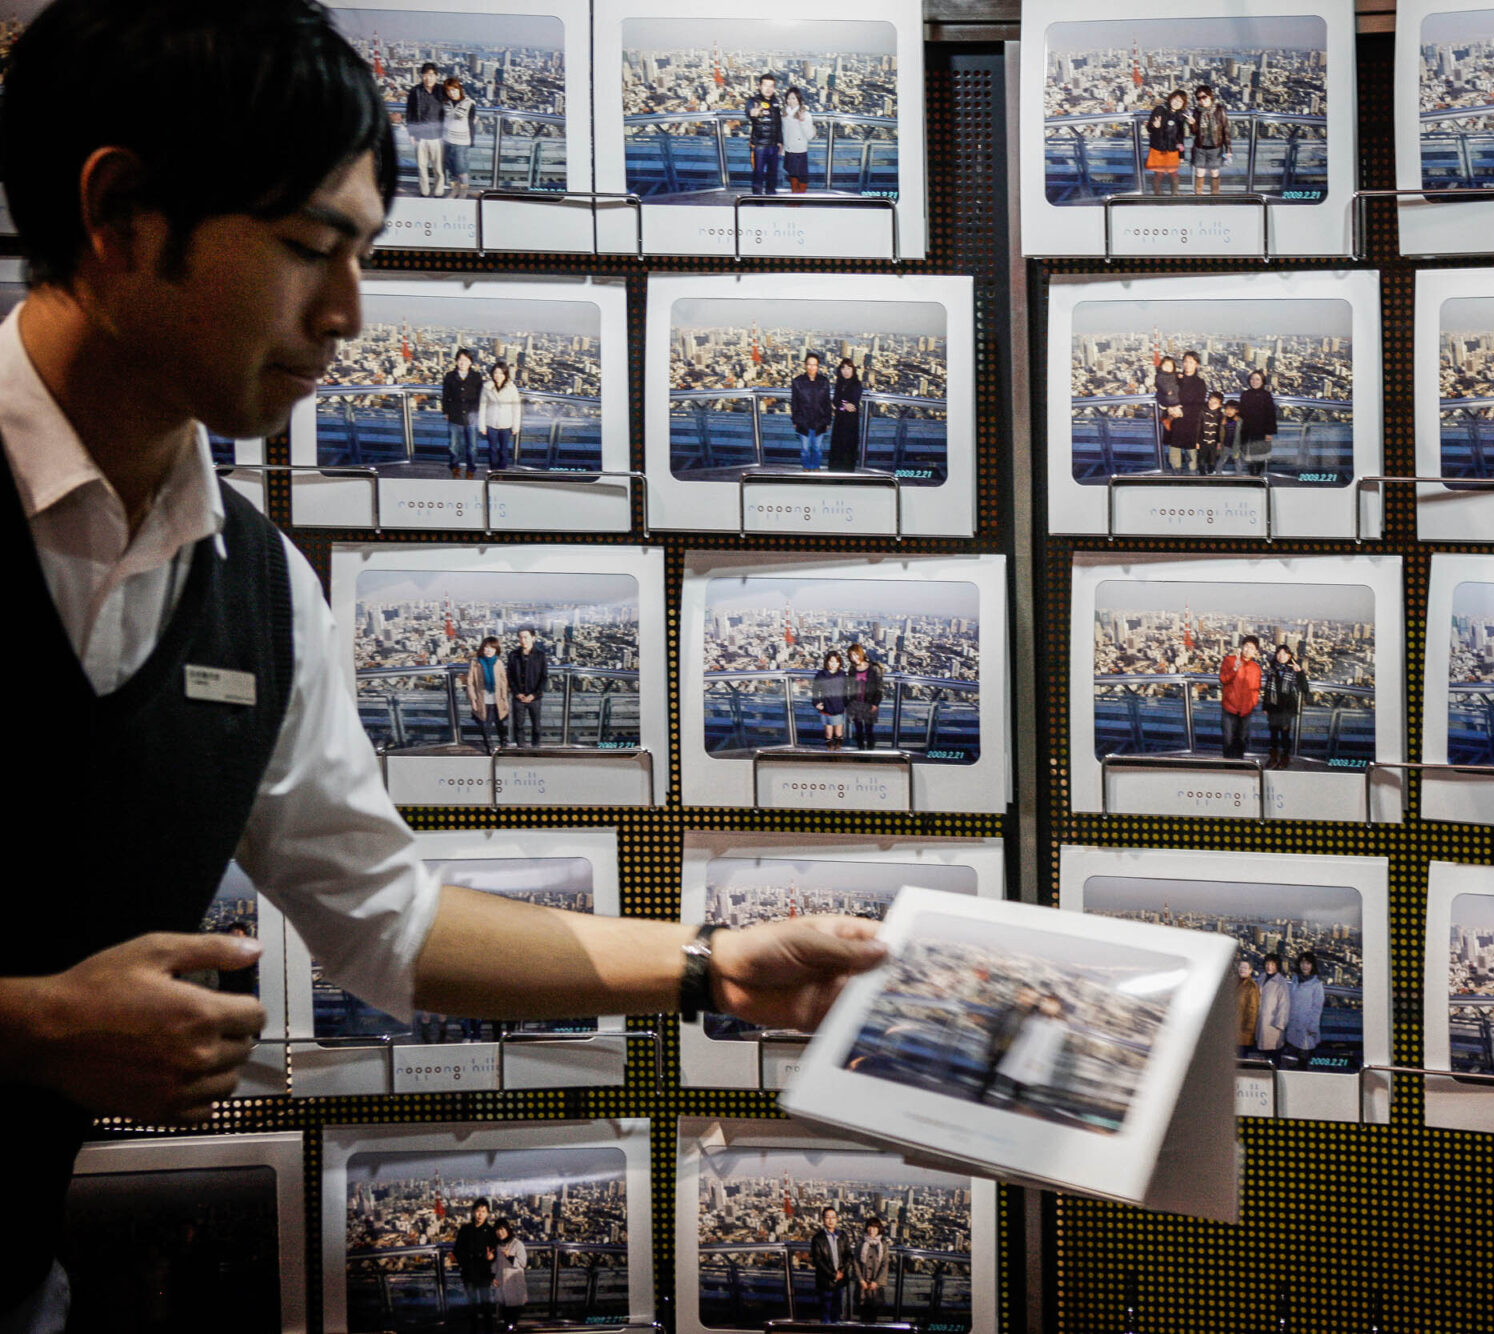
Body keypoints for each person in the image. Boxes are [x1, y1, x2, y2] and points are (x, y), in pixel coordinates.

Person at [0, 5, 885, 1323]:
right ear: (121, 213)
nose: (347, 312)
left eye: (362, 253)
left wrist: (714, 966)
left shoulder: (254, 582)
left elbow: (386, 917)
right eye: (310, 247)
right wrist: (28, 1025)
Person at [994, 993, 1071, 1111]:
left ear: (1057, 1007)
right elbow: (1023, 1033)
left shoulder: (1059, 1025)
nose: (1045, 1005)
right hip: (1023, 1053)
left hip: (1038, 1057)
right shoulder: (1034, 1017)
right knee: (1016, 1081)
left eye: (1049, 1004)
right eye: (1044, 1002)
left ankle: (1017, 1105)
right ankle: (1013, 1104)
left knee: (1027, 1083)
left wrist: (1040, 1061)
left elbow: (1052, 1046)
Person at [452, 1199, 501, 1334]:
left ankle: (489, 1330)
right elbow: (457, 1250)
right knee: (472, 1306)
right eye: (478, 1211)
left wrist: (492, 1257)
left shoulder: (491, 1231)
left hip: (484, 1273)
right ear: (473, 1212)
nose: (480, 1214)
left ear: (487, 1214)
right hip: (469, 1272)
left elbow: (496, 1252)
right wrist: (464, 1264)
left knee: (486, 1305)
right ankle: (474, 1330)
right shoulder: (465, 1230)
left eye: (483, 1211)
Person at [1218, 633, 1263, 761]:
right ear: (1242, 647)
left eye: (1252, 648)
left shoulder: (1256, 668)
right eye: (1246, 646)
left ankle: (1238, 764)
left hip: (1246, 710)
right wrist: (1235, 669)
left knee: (1241, 740)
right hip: (1229, 708)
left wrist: (1252, 703)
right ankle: (1228, 765)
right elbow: (1223, 679)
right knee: (1228, 739)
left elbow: (1256, 689)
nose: (1248, 650)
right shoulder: (1230, 660)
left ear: (1255, 652)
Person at [406, 62, 446, 199]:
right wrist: (411, 134)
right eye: (425, 75)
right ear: (421, 76)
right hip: (420, 136)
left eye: (431, 75)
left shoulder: (442, 90)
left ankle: (439, 192)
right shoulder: (415, 91)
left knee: (438, 168)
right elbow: (410, 112)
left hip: (438, 136)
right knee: (422, 167)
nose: (428, 78)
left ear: (437, 76)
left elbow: (457, 98)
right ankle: (424, 191)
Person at [1261, 642, 1304, 771]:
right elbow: (1268, 690)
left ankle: (1285, 757)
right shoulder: (1272, 669)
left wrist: (1300, 672)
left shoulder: (1294, 670)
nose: (1281, 656)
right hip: (1273, 707)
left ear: (1289, 656)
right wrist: (1265, 706)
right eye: (1279, 653)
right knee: (1273, 734)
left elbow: (1304, 687)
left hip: (1287, 709)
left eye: (1284, 654)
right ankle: (1273, 757)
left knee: (1285, 735)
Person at [465, 636, 511, 756]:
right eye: (486, 647)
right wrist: (473, 700)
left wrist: (505, 699)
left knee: (500, 722)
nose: (489, 650)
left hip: (498, 699)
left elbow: (504, 681)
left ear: (496, 650)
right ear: (482, 648)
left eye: (492, 648)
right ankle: (489, 746)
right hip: (482, 699)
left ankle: (504, 743)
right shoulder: (476, 663)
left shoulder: (498, 663)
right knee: (485, 724)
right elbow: (470, 682)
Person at [442, 348, 480, 479]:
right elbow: (445, 396)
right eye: (460, 360)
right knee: (453, 445)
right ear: (456, 361)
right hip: (454, 415)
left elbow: (480, 397)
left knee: (472, 446)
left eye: (465, 360)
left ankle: (471, 469)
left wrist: (476, 412)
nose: (462, 362)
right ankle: (455, 468)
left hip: (471, 417)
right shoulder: (450, 376)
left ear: (470, 362)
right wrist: (446, 411)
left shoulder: (476, 377)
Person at [506, 627, 547, 749]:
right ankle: (521, 748)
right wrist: (517, 693)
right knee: (518, 725)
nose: (523, 640)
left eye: (526, 637)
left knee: (536, 726)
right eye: (521, 637)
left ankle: (536, 748)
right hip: (519, 697)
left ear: (533, 638)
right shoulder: (513, 655)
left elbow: (544, 677)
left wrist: (534, 694)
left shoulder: (540, 655)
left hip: (535, 697)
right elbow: (509, 676)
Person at [791, 352, 833, 470]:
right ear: (805, 365)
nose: (811, 367)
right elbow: (794, 402)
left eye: (814, 365)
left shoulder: (824, 381)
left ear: (818, 366)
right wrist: (795, 420)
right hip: (803, 421)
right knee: (805, 448)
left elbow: (827, 402)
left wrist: (828, 421)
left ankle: (815, 467)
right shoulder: (798, 381)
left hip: (820, 420)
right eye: (809, 364)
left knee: (817, 448)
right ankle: (806, 466)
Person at [1144, 90, 1191, 195]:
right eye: (1175, 99)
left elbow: (1180, 136)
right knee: (1159, 174)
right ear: (1170, 98)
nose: (1176, 103)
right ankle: (1158, 196)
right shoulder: (1159, 109)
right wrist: (1154, 126)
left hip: (1173, 148)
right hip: (1158, 148)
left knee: (1174, 174)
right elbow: (1149, 128)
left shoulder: (1181, 115)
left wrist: (1181, 154)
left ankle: (1174, 195)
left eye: (1180, 101)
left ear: (1183, 104)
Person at [1281, 951, 1324, 1069]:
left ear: (1312, 966)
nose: (1305, 966)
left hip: (1306, 1028)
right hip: (1293, 1025)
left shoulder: (1316, 984)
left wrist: (1312, 1027)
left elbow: (1317, 1008)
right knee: (1291, 1060)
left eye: (1308, 963)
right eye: (1303, 963)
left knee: (1303, 1060)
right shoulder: (1294, 980)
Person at [479, 362, 522, 474]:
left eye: (501, 373)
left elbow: (516, 409)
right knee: (492, 450)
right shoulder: (487, 387)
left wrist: (516, 426)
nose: (498, 375)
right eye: (496, 373)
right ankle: (493, 472)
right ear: (492, 374)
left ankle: (502, 472)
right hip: (491, 423)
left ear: (505, 374)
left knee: (504, 450)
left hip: (506, 424)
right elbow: (482, 407)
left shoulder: (511, 388)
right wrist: (482, 425)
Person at [809, 1207, 850, 1323]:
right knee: (825, 1311)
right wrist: (833, 1274)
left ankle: (836, 1328)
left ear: (837, 1219)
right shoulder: (817, 1239)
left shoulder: (842, 1236)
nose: (830, 1220)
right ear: (823, 1219)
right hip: (825, 1280)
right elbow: (818, 1261)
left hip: (840, 1280)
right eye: (827, 1217)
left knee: (838, 1310)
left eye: (833, 1217)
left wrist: (842, 1271)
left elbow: (848, 1256)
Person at [745, 73, 784, 195]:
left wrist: (780, 142)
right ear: (759, 86)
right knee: (758, 174)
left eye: (771, 86)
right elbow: (750, 111)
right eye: (765, 85)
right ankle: (757, 199)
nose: (768, 89)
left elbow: (778, 123)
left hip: (773, 145)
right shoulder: (753, 101)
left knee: (773, 174)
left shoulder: (775, 102)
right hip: (759, 146)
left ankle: (771, 196)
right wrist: (754, 112)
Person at [1189, 85, 1230, 195]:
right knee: (1199, 172)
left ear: (1210, 96)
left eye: (1204, 97)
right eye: (1199, 98)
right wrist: (1192, 124)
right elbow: (1194, 132)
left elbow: (1226, 130)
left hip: (1215, 148)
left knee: (1214, 172)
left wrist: (1228, 148)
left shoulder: (1220, 110)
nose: (1202, 100)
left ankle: (1215, 197)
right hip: (1200, 147)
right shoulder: (1196, 112)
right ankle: (1198, 197)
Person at [441, 77, 478, 200]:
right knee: (452, 170)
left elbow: (471, 123)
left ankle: (463, 193)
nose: (452, 93)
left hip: (461, 142)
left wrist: (472, 140)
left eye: (454, 90)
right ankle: (454, 191)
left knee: (461, 170)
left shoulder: (469, 103)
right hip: (447, 140)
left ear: (459, 89)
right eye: (449, 90)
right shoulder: (445, 103)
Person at [1237, 369, 1277, 476]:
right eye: (1252, 379)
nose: (1254, 381)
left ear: (1262, 381)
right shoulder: (1245, 394)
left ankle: (1258, 475)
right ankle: (1252, 475)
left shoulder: (1266, 395)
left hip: (1261, 431)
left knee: (1260, 456)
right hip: (1247, 431)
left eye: (1257, 379)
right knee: (1248, 456)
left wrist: (1269, 432)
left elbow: (1271, 415)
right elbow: (1241, 413)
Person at [845, 643, 884, 751]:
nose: (854, 658)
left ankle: (870, 752)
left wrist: (875, 704)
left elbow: (879, 688)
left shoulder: (874, 668)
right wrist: (849, 703)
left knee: (869, 730)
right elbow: (850, 687)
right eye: (851, 655)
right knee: (858, 730)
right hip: (856, 704)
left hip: (869, 703)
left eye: (856, 654)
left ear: (861, 654)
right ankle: (861, 751)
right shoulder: (852, 669)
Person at [830, 356, 864, 472]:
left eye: (849, 368)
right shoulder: (839, 383)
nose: (846, 371)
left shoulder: (857, 384)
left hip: (850, 423)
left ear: (853, 370)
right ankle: (835, 474)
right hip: (839, 421)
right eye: (843, 368)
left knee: (848, 449)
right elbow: (835, 401)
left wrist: (841, 404)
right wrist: (844, 404)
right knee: (837, 448)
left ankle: (848, 474)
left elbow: (853, 405)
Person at [493, 1219, 527, 1334]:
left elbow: (523, 1263)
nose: (500, 1232)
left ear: (507, 1229)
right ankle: (508, 1327)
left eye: (502, 1229)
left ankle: (511, 1328)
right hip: (501, 1281)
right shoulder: (498, 1245)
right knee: (505, 1308)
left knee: (514, 1309)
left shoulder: (517, 1244)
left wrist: (510, 1257)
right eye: (497, 1230)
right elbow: (496, 1264)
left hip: (514, 1281)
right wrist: (493, 1276)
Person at [1254, 952, 1290, 1059]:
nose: (1269, 967)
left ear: (1277, 966)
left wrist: (1280, 1025)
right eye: (1267, 964)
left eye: (1273, 964)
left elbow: (1284, 1005)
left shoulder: (1281, 982)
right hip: (1260, 1021)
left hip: (1273, 1024)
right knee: (1261, 1053)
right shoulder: (1262, 978)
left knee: (1272, 1053)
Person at [854, 1217, 890, 1323]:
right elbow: (855, 1262)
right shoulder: (860, 1244)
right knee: (862, 1314)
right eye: (870, 1227)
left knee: (874, 1314)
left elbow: (885, 1264)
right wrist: (861, 1280)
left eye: (875, 1227)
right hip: (863, 1285)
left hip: (876, 1286)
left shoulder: (883, 1245)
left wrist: (877, 1282)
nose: (872, 1230)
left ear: (879, 1229)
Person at [781, 87, 815, 194]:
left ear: (799, 99)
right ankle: (794, 196)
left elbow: (810, 136)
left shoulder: (805, 115)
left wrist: (802, 121)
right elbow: (783, 132)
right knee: (792, 175)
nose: (791, 101)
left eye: (794, 98)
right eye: (788, 98)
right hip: (788, 150)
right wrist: (782, 148)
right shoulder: (784, 114)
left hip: (799, 151)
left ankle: (800, 197)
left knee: (802, 177)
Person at [812, 649, 848, 750]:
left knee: (838, 733)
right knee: (828, 733)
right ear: (827, 661)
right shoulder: (821, 675)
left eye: (836, 662)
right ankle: (830, 750)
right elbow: (815, 690)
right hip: (826, 707)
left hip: (839, 707)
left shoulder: (842, 675)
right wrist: (816, 703)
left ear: (839, 663)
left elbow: (845, 691)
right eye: (831, 661)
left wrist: (847, 704)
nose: (833, 664)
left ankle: (838, 748)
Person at [1153, 356, 1183, 472]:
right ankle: (1175, 467)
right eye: (1165, 365)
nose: (1167, 368)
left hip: (1173, 399)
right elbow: (1160, 384)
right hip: (1169, 398)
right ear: (1161, 366)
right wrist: (1167, 391)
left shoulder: (1174, 375)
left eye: (1170, 366)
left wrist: (1180, 376)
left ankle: (1169, 419)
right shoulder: (1160, 376)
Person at [1194, 389, 1226, 476]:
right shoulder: (1201, 412)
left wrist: (1219, 442)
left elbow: (1220, 430)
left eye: (1215, 402)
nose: (1212, 403)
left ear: (1220, 405)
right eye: (1210, 400)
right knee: (1202, 457)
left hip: (1214, 441)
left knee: (1213, 458)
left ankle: (1211, 470)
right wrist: (1196, 441)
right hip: (1203, 440)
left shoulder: (1220, 415)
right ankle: (1202, 472)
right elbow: (1198, 427)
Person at [1235, 958, 1260, 1059]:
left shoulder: (1251, 987)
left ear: (1250, 970)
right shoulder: (1235, 983)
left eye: (1245, 968)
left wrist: (1248, 1030)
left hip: (1243, 1031)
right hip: (1233, 1028)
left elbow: (1253, 1010)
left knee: (1240, 1059)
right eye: (1241, 967)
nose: (1242, 969)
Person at [1218, 398, 1243, 474]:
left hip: (1236, 445)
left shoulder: (1239, 420)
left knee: (1238, 461)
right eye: (1227, 409)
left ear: (1237, 411)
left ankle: (1239, 476)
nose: (1229, 411)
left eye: (1232, 409)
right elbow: (1219, 433)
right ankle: (1218, 474)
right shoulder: (1223, 420)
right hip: (1226, 444)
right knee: (1222, 460)